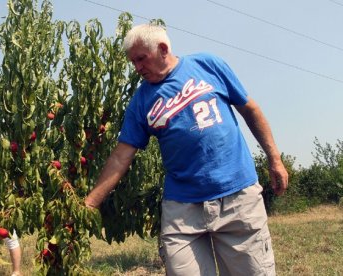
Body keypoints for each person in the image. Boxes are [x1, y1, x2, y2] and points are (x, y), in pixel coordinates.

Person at [84, 23, 288, 275]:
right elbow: (120, 157)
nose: (137, 68)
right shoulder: (141, 101)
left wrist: (274, 159)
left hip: (236, 197)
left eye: (141, 59)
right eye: (132, 62)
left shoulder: (208, 65)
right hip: (182, 209)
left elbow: (250, 109)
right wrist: (90, 204)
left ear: (162, 48)